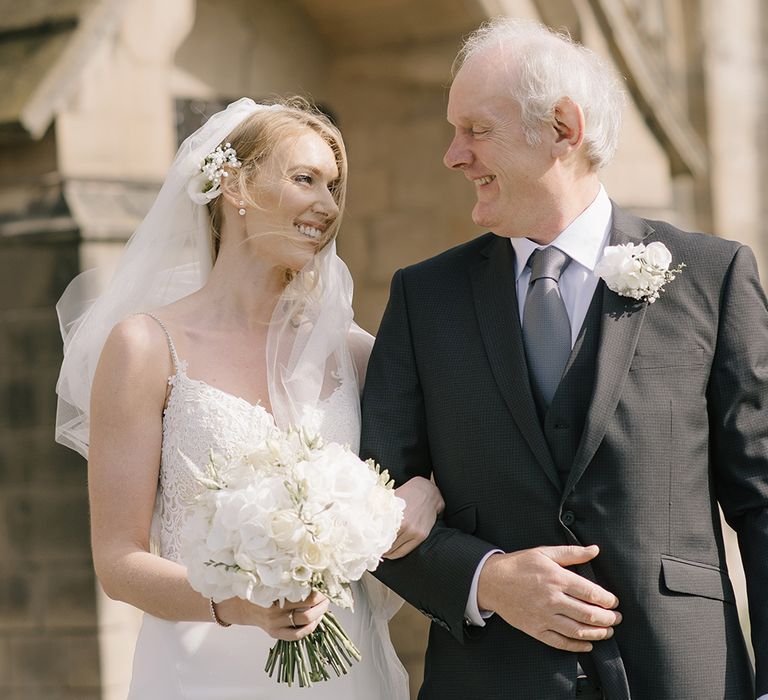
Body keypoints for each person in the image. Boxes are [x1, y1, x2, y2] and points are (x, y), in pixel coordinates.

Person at [360, 17, 767, 700]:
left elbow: (762, 498)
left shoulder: (711, 276)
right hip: (491, 679)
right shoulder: (422, 297)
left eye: (475, 130)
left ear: (563, 127)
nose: (452, 156)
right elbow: (366, 502)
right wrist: (485, 579)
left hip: (685, 675)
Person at [54, 97, 444, 699]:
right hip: (201, 668)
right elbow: (119, 561)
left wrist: (425, 494)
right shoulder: (145, 346)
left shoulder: (355, 352)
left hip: (343, 667)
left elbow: (433, 468)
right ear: (235, 185)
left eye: (334, 186)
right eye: (304, 179)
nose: (328, 205)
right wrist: (236, 605)